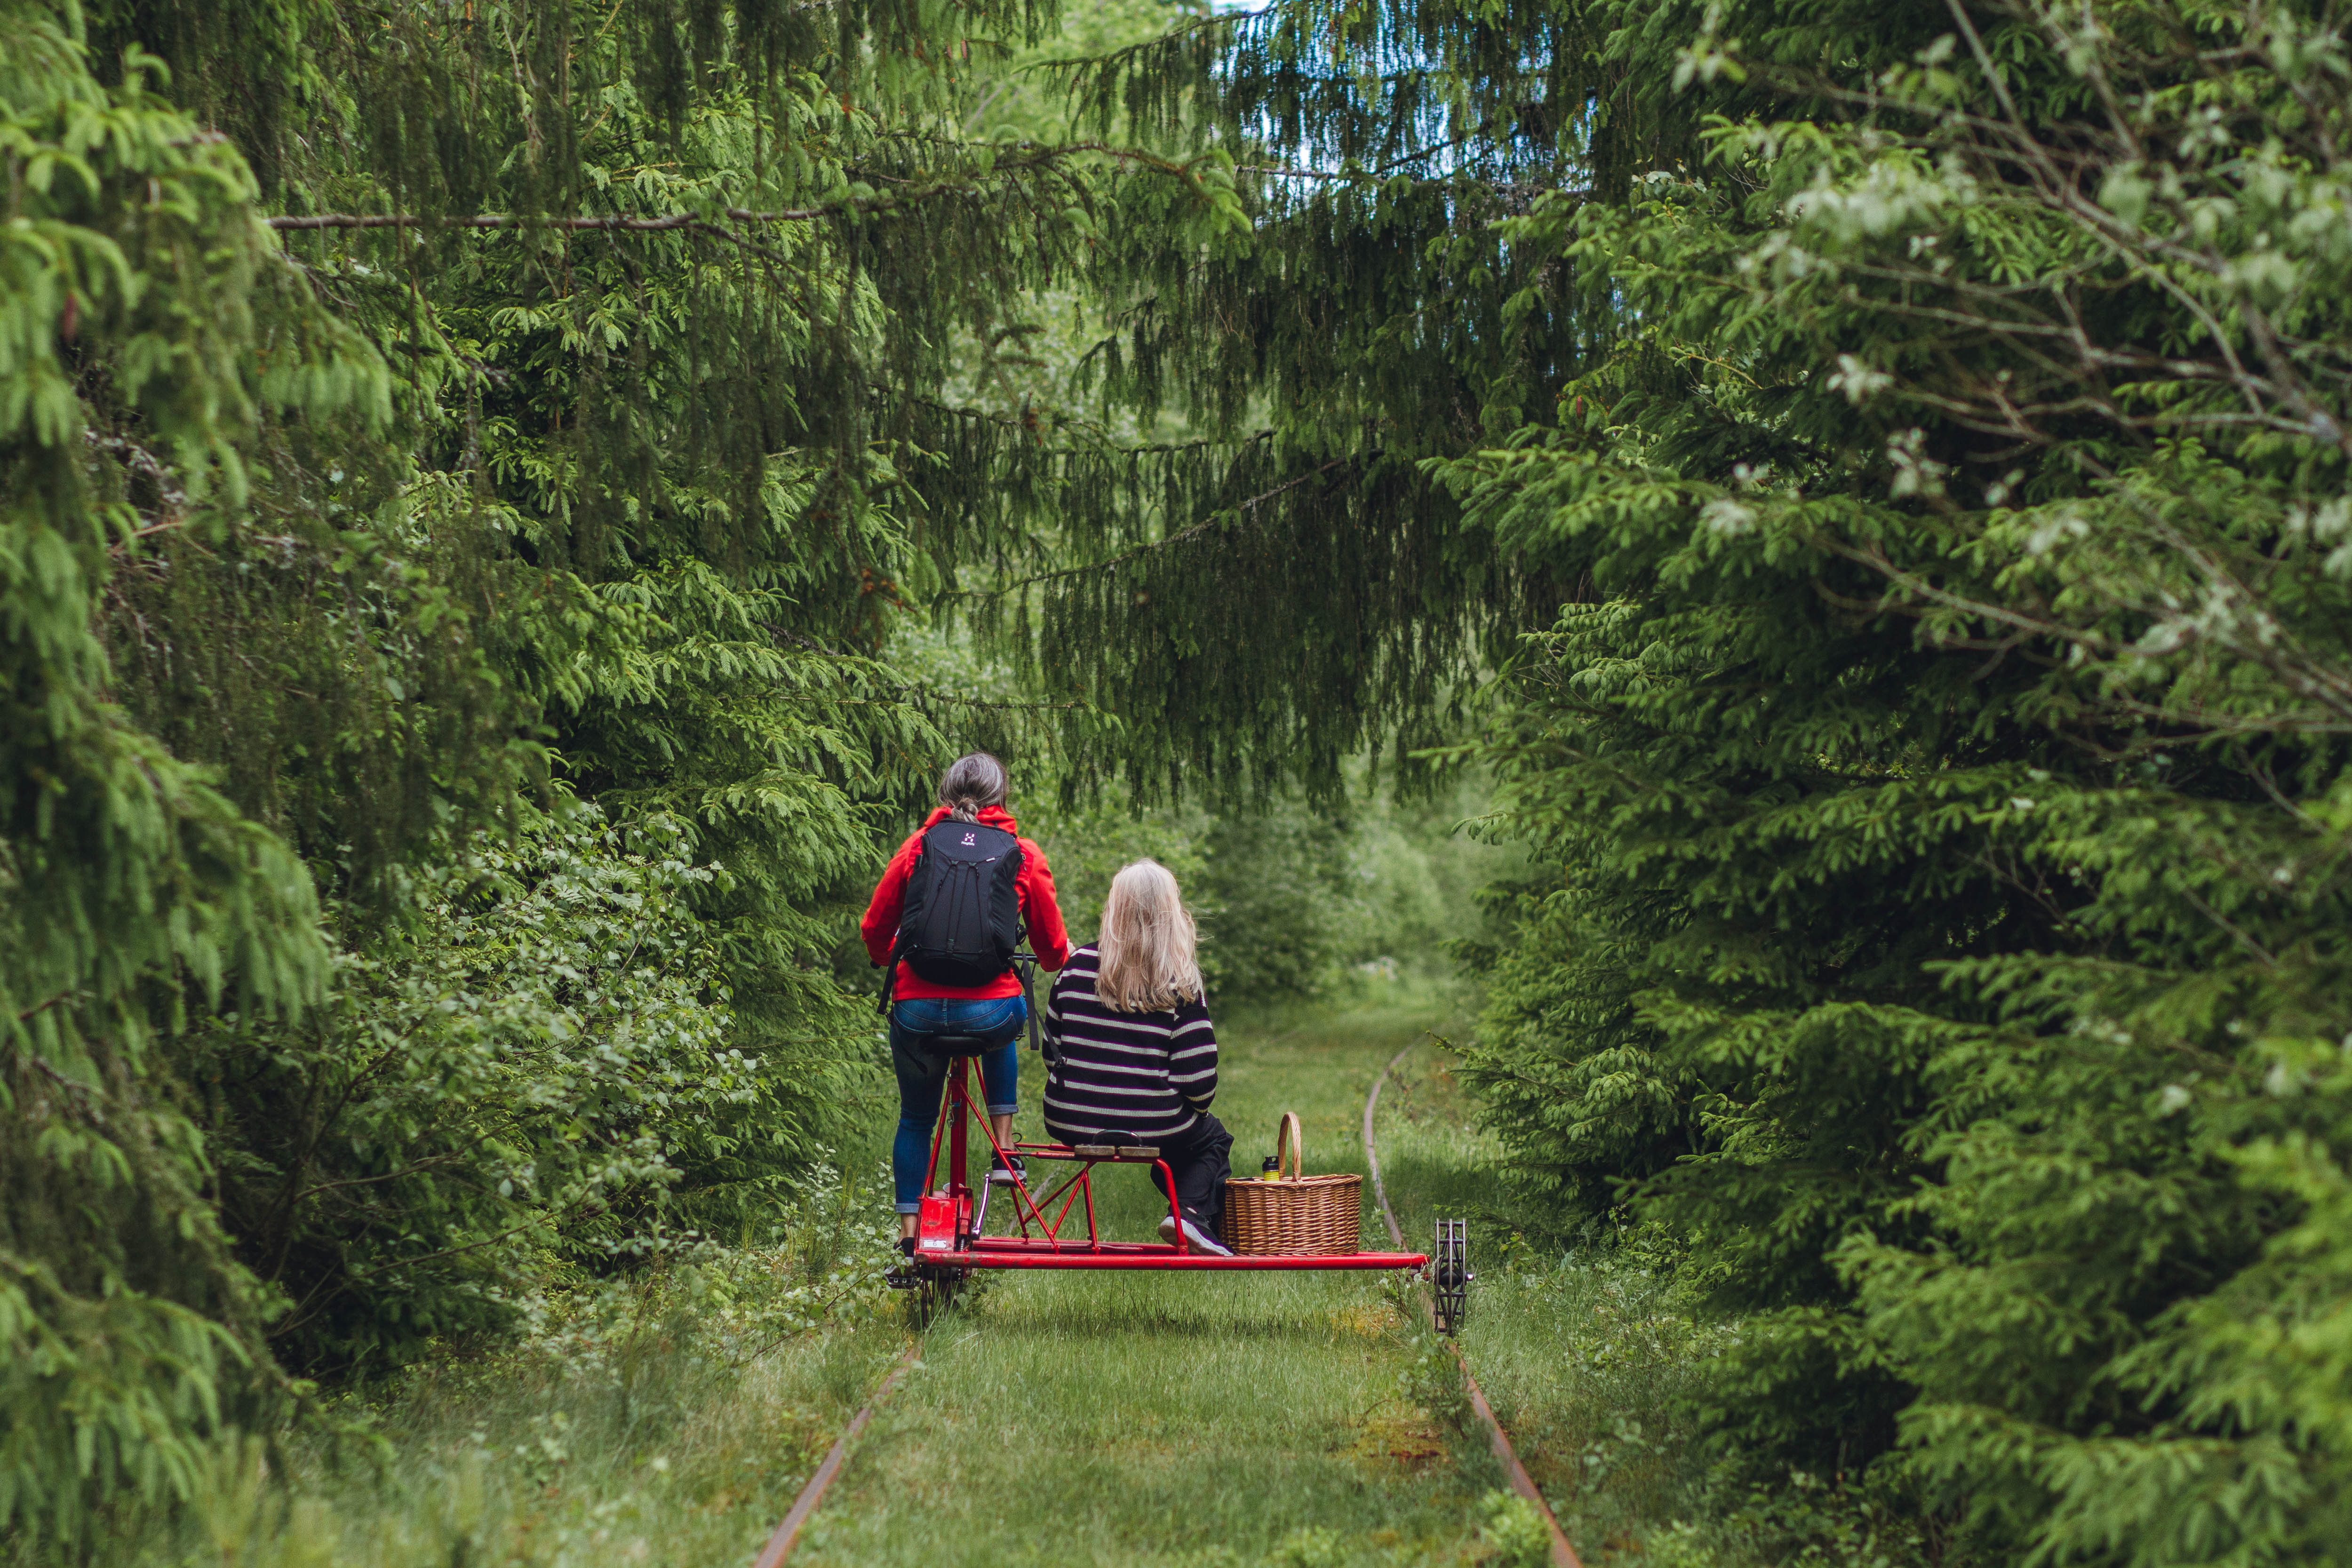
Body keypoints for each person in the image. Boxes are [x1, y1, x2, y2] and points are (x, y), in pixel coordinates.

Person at [862, 753, 1069, 1250]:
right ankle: (1004, 1146)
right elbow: (1053, 951)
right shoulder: (1023, 852)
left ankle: (908, 1238)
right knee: (1006, 1015)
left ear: (944, 795)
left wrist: (891, 959)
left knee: (915, 1119)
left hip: (916, 1011)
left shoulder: (917, 847)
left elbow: (874, 928)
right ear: (1002, 797)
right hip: (989, 1012)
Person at [1042, 859, 1234, 1255]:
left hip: (1071, 1118)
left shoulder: (1075, 969)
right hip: (1155, 1123)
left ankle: (1190, 1218)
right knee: (1211, 1139)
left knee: (1187, 1138)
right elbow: (1199, 1085)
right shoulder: (1179, 983)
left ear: (1114, 910)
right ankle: (1190, 1215)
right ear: (1170, 914)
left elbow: (1052, 1053)